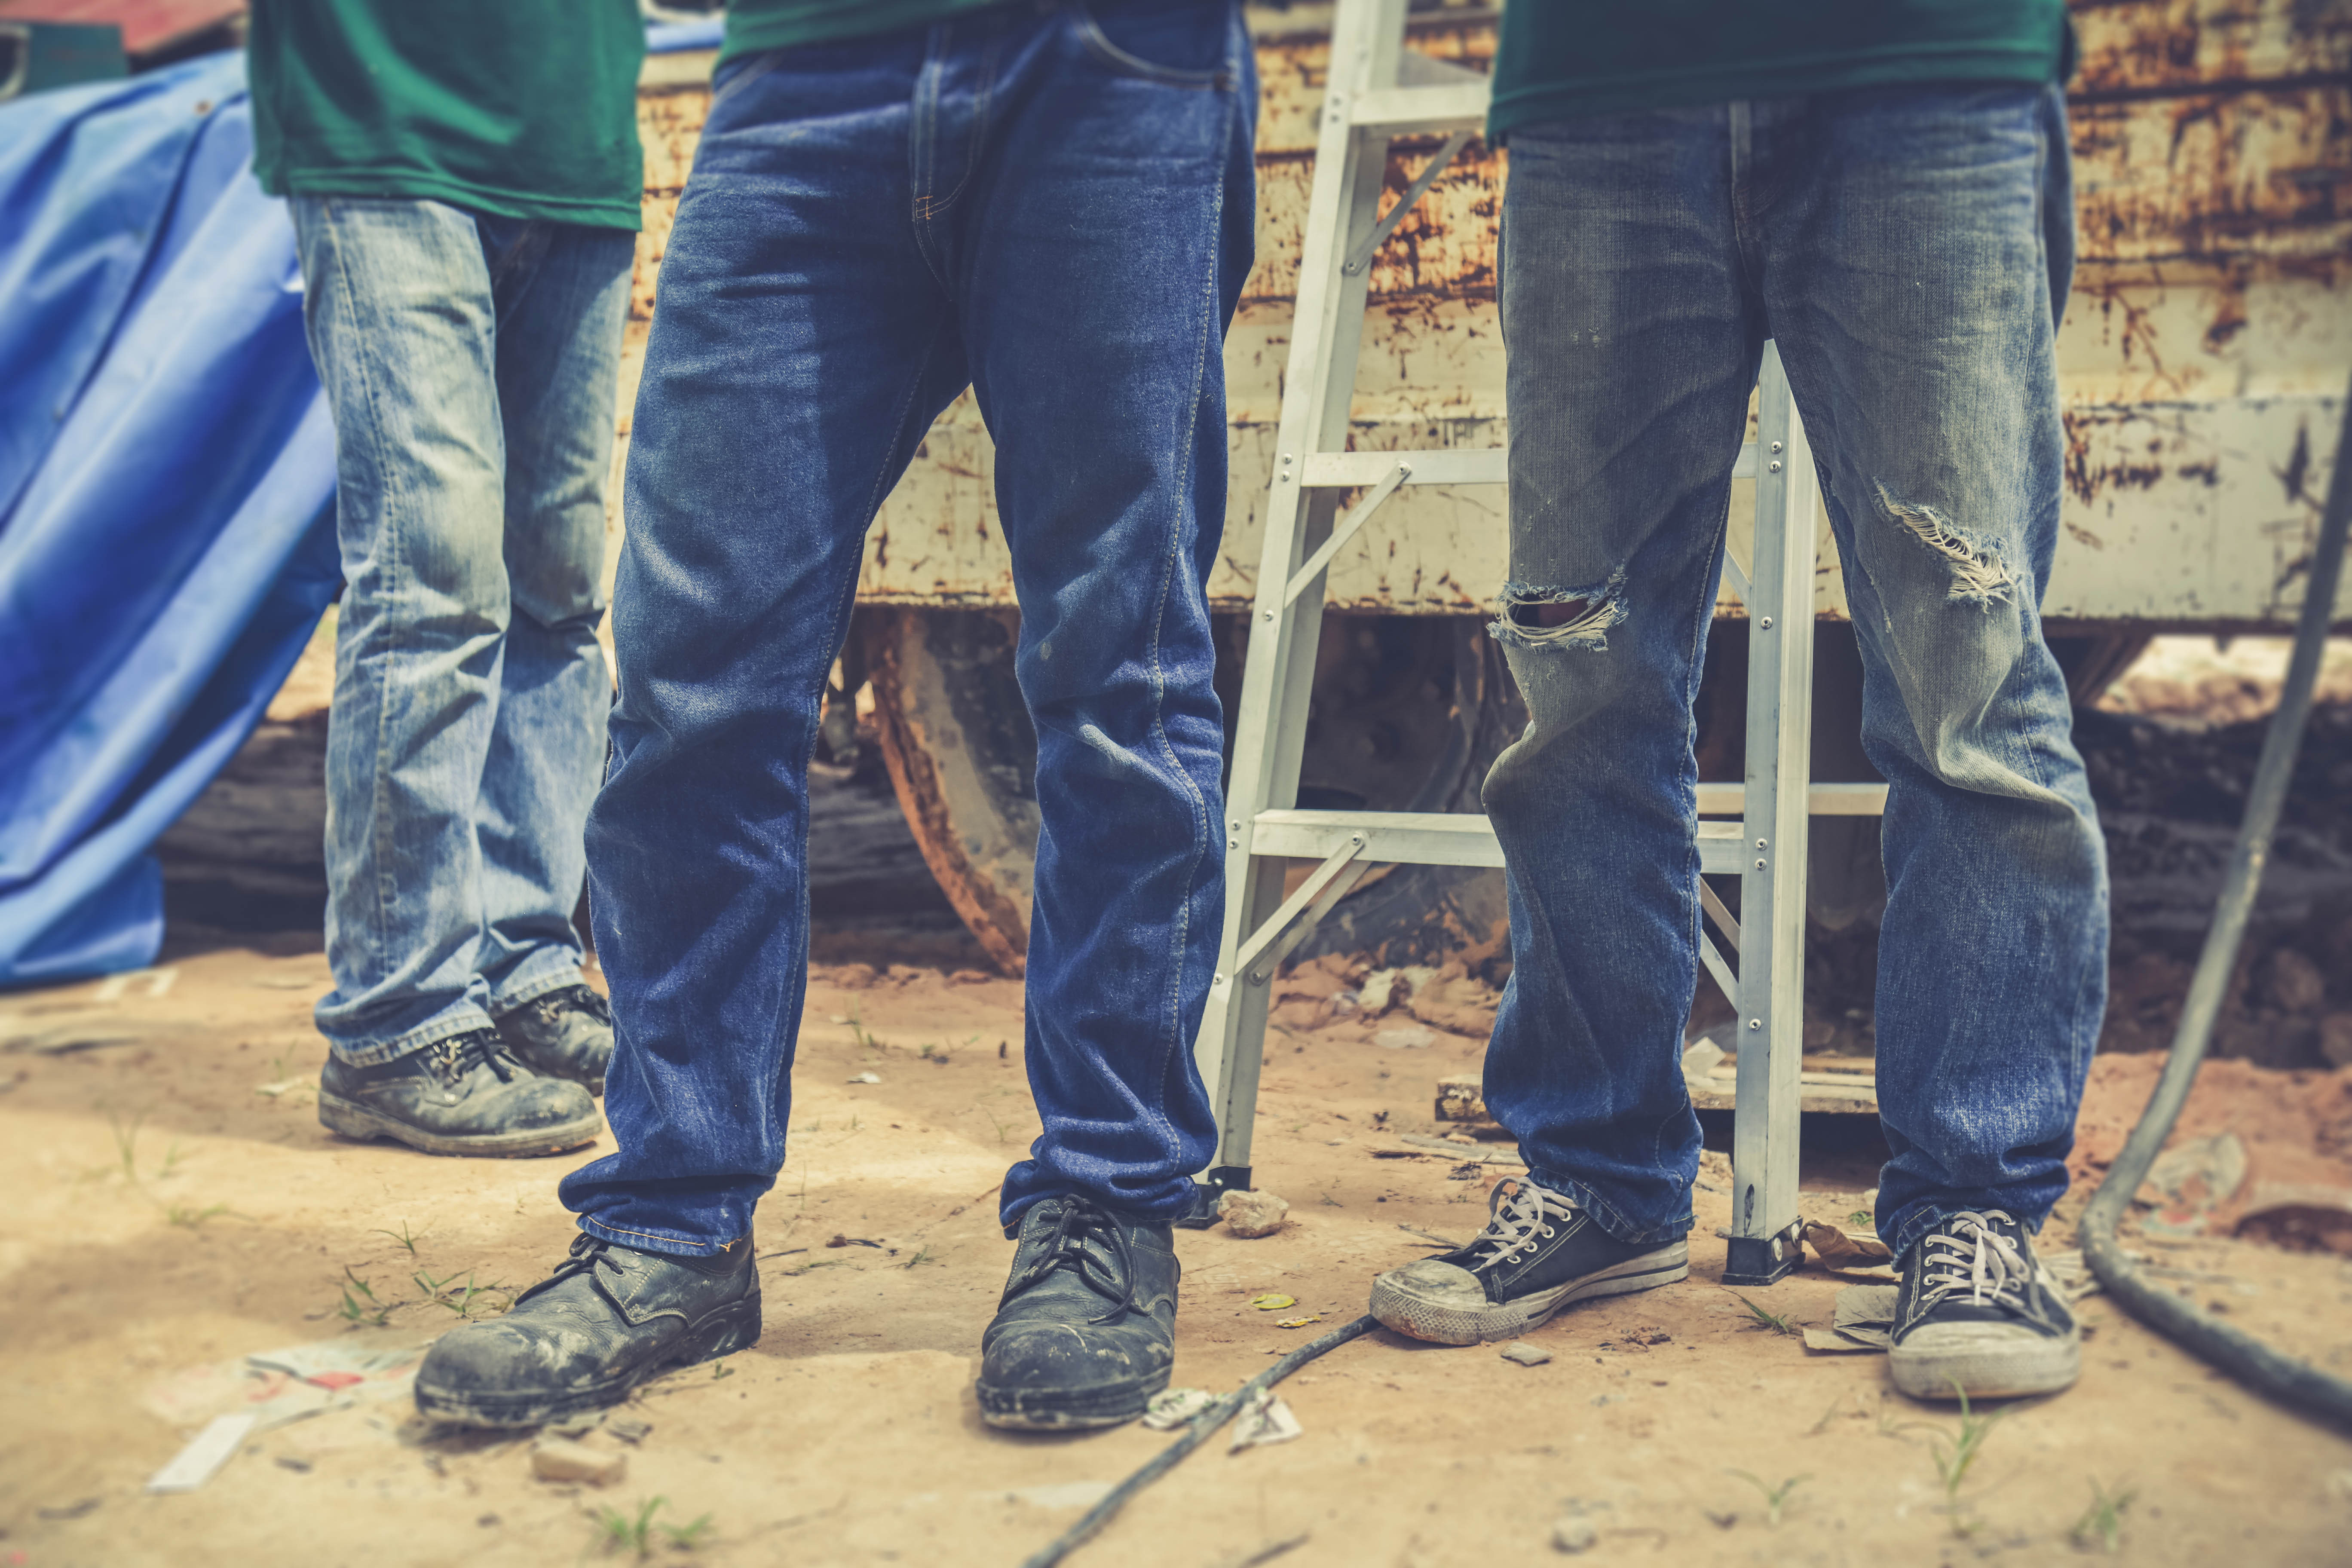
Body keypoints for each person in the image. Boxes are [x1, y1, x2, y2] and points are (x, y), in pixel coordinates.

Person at [412, 0, 1257, 1430]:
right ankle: (672, 1224)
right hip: (806, 67)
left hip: (1113, 58)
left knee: (1121, 677)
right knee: (694, 687)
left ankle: (1110, 1208)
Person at [1366, 0, 2102, 1403]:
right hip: (1604, 87)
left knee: (1972, 688)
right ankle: (1601, 1178)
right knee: (1582, 685)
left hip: (1925, 69)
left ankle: (1974, 1214)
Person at [246, 0, 640, 1156]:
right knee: (433, 582)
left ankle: (524, 966)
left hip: (576, 140)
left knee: (556, 594)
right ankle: (396, 1017)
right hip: (382, 120)